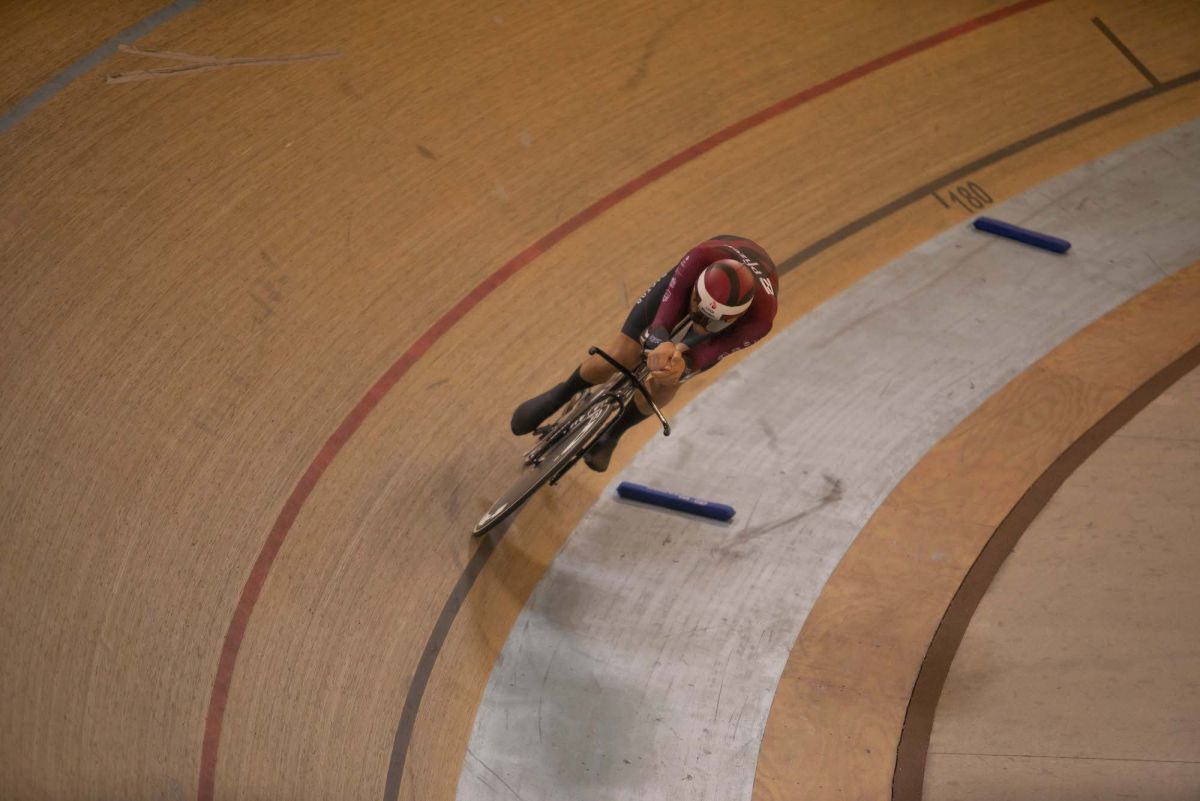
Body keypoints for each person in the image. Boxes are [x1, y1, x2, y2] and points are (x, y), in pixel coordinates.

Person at [511, 234, 779, 471]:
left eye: (715, 322)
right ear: (696, 292)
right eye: (698, 313)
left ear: (735, 318)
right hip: (692, 282)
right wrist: (659, 340)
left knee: (669, 379)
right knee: (621, 354)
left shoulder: (759, 320)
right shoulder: (701, 256)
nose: (700, 323)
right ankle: (562, 393)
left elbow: (710, 352)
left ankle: (613, 434)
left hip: (726, 324)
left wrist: (679, 366)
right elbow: (663, 317)